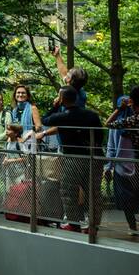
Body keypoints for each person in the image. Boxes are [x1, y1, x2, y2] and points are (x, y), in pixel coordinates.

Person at [38, 86, 104, 232]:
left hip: (72, 159)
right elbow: (100, 135)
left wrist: (55, 106)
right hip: (94, 158)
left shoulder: (63, 116)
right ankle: (94, 226)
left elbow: (45, 120)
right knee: (93, 192)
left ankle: (74, 224)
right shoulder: (91, 115)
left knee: (68, 190)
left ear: (62, 99)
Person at [106, 85, 139, 242]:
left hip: (132, 162)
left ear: (131, 101)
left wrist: (120, 109)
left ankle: (133, 227)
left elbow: (108, 123)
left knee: (127, 197)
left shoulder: (131, 120)